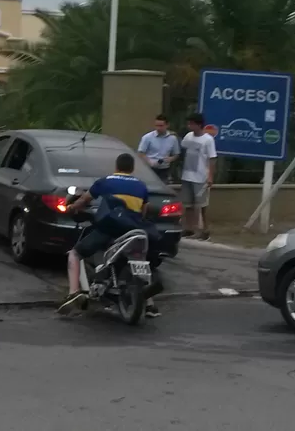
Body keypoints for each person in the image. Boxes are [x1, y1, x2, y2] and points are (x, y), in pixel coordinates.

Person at [57, 153, 160, 318]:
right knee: (141, 260)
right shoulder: (141, 186)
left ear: (116, 166)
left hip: (111, 227)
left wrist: (71, 208)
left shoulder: (105, 182)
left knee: (76, 253)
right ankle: (150, 304)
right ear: (132, 168)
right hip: (134, 229)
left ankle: (73, 292)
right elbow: (143, 212)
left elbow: (84, 200)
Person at [180, 112, 217, 240]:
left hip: (201, 176)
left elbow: (212, 158)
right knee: (188, 205)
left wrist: (210, 176)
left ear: (199, 125)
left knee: (201, 206)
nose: (189, 126)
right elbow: (183, 149)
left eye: (192, 123)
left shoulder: (208, 139)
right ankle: (188, 228)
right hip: (187, 175)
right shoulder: (188, 137)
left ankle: (204, 230)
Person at [137, 114, 180, 183]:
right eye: (156, 126)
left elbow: (176, 154)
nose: (158, 128)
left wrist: (171, 159)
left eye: (161, 126)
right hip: (150, 168)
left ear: (167, 125)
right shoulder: (148, 137)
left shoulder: (173, 139)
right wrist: (149, 162)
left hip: (164, 169)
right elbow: (141, 153)